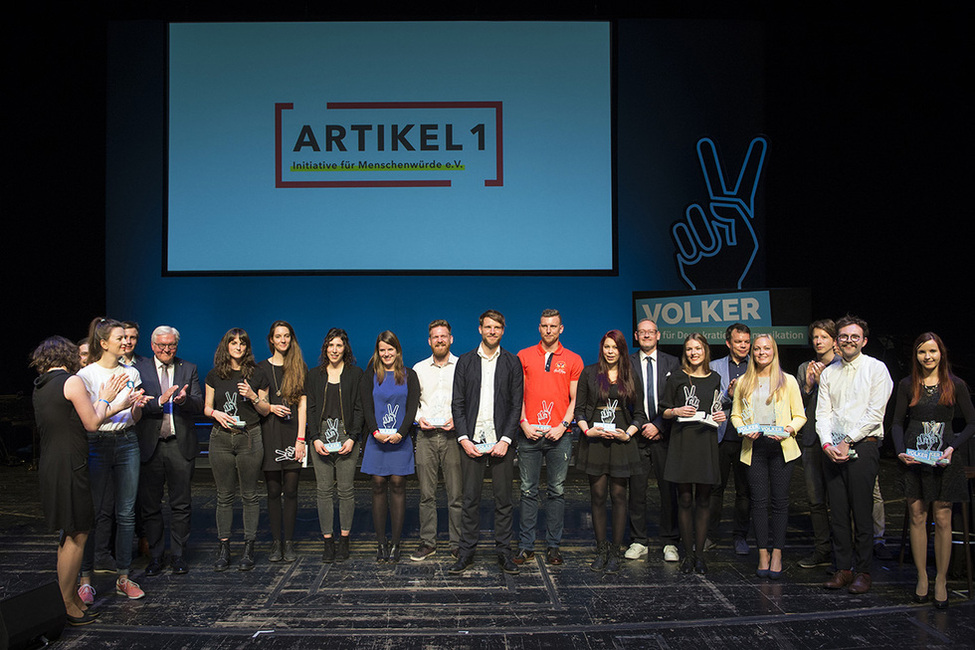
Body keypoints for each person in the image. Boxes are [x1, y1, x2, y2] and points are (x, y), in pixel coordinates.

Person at [31, 336, 132, 625]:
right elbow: (91, 423)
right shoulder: (71, 381)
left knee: (70, 532)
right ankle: (66, 603)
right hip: (70, 465)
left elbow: (88, 418)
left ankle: (71, 597)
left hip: (53, 463)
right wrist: (105, 396)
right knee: (78, 533)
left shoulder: (40, 386)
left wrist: (115, 404)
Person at [891, 332, 975, 608]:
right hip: (915, 460)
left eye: (932, 352)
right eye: (922, 352)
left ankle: (941, 579)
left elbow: (971, 423)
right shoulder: (907, 384)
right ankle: (922, 577)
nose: (927, 357)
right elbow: (896, 423)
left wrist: (953, 447)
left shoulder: (955, 385)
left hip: (944, 460)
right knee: (917, 515)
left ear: (941, 353)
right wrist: (901, 450)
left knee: (943, 518)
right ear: (915, 356)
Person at [817, 315, 893, 595]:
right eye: (844, 336)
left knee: (861, 512)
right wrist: (827, 445)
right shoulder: (829, 372)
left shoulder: (876, 369)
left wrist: (848, 441)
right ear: (837, 340)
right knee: (837, 513)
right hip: (833, 449)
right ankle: (843, 569)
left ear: (864, 341)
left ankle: (863, 571)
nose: (849, 341)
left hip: (863, 445)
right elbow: (822, 414)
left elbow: (875, 414)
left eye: (854, 336)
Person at [77, 317, 150, 601]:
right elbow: (90, 419)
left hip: (126, 441)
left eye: (127, 338)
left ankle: (124, 576)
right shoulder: (87, 376)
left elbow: (134, 417)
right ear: (103, 343)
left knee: (126, 512)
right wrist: (114, 402)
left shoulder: (131, 373)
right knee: (93, 513)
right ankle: (85, 580)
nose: (125, 342)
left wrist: (136, 407)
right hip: (97, 443)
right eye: (119, 338)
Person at [449, 310, 524, 575]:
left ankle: (504, 552)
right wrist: (463, 438)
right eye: (488, 327)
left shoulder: (512, 362)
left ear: (503, 330)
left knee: (504, 501)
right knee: (469, 499)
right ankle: (466, 552)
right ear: (479, 329)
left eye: (497, 327)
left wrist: (505, 439)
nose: (492, 331)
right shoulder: (466, 361)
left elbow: (516, 406)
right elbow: (457, 403)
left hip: (501, 442)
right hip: (471, 443)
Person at [730, 335, 806, 579]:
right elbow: (735, 416)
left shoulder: (789, 381)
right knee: (759, 503)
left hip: (782, 447)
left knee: (780, 503)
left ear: (774, 351)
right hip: (754, 448)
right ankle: (762, 552)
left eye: (767, 348)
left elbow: (800, 416)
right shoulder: (743, 381)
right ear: (752, 352)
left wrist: (789, 429)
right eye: (757, 349)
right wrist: (744, 429)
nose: (762, 352)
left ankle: (777, 553)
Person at [515, 309, 583, 566]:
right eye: (544, 326)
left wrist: (563, 425)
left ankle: (554, 546)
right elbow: (518, 395)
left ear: (561, 328)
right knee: (527, 491)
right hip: (529, 435)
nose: (548, 330)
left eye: (553, 326)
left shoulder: (573, 359)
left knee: (556, 491)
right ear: (539, 327)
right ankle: (526, 546)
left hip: (560, 436)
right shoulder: (524, 356)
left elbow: (575, 399)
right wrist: (523, 423)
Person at [134, 326, 203, 576]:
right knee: (150, 506)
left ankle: (178, 555)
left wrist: (184, 400)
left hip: (179, 444)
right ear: (152, 346)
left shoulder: (188, 368)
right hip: (149, 444)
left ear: (177, 345)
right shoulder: (139, 369)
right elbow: (135, 403)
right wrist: (159, 402)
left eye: (171, 345)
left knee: (181, 504)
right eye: (161, 345)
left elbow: (199, 401)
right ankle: (155, 556)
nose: (166, 350)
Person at [575, 330, 646, 573]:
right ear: (602, 348)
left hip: (621, 444)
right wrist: (587, 431)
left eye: (615, 347)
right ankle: (601, 549)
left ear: (622, 349)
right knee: (597, 496)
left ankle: (615, 551)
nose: (610, 351)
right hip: (595, 443)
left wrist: (628, 434)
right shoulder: (590, 373)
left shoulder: (630, 375)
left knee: (618, 497)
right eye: (607, 346)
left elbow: (639, 414)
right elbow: (580, 410)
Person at [661, 333, 727, 574]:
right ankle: (687, 555)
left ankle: (700, 555)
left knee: (703, 501)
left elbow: (716, 409)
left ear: (705, 350)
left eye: (697, 348)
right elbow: (664, 410)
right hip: (682, 442)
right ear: (685, 352)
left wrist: (721, 416)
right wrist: (676, 409)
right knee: (685, 500)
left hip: (706, 443)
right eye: (689, 349)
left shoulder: (715, 379)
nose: (693, 353)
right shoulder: (677, 377)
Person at [204, 328, 268, 571]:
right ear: (226, 346)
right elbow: (207, 408)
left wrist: (252, 396)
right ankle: (224, 547)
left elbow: (264, 410)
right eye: (233, 343)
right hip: (221, 437)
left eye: (242, 343)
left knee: (250, 495)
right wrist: (215, 413)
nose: (238, 347)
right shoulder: (214, 375)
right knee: (224, 496)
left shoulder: (258, 374)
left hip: (249, 436)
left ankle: (249, 547)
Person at [360, 330, 420, 563]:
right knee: (377, 485)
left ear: (397, 351)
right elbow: (366, 407)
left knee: (397, 484)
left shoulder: (409, 375)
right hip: (376, 439)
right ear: (378, 352)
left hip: (400, 439)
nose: (386, 353)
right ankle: (380, 542)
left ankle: (395, 543)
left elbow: (412, 407)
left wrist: (401, 433)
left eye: (390, 349)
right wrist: (375, 432)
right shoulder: (370, 375)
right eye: (382, 350)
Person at [305, 328, 364, 563]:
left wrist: (352, 437)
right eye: (330, 345)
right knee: (323, 492)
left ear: (345, 348)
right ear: (325, 348)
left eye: (339, 345)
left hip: (346, 436)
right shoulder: (314, 375)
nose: (334, 350)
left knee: (346, 491)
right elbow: (310, 409)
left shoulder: (355, 374)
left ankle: (344, 540)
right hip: (321, 438)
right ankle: (328, 541)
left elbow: (359, 408)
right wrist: (315, 437)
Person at [626, 318, 681, 563]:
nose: (646, 335)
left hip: (664, 436)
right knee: (636, 491)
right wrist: (639, 426)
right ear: (636, 336)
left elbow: (677, 398)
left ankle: (670, 541)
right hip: (636, 437)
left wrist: (658, 425)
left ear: (658, 335)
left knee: (668, 490)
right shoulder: (626, 363)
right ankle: (639, 540)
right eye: (642, 332)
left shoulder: (673, 362)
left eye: (651, 332)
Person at [410, 320, 463, 562]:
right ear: (429, 341)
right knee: (426, 494)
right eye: (435, 337)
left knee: (456, 494)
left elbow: (469, 400)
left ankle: (457, 543)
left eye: (444, 336)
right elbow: (412, 404)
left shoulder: (463, 366)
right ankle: (428, 542)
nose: (440, 340)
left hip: (454, 437)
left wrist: (459, 420)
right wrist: (419, 419)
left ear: (451, 339)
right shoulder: (418, 369)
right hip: (426, 437)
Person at [257, 320, 307, 563]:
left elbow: (303, 405)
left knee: (292, 490)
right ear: (271, 340)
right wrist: (270, 407)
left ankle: (289, 543)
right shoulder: (260, 369)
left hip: (292, 435)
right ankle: (276, 543)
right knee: (273, 490)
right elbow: (260, 403)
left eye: (287, 335)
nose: (283, 340)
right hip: (269, 434)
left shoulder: (299, 367)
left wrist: (301, 439)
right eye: (278, 336)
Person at [795, 319, 839, 569]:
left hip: (837, 439)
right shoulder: (805, 367)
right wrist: (810, 386)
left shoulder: (843, 366)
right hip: (812, 439)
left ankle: (844, 550)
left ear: (834, 339)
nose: (818, 341)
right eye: (815, 337)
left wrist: (824, 383)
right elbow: (799, 400)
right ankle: (822, 548)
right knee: (815, 499)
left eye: (823, 337)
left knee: (840, 499)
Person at [709, 323, 752, 556]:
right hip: (722, 435)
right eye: (738, 342)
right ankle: (710, 534)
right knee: (716, 488)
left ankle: (740, 536)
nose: (743, 346)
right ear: (728, 343)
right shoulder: (714, 367)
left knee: (744, 491)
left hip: (748, 437)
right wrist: (728, 395)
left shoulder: (758, 365)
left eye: (746, 342)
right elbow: (709, 401)